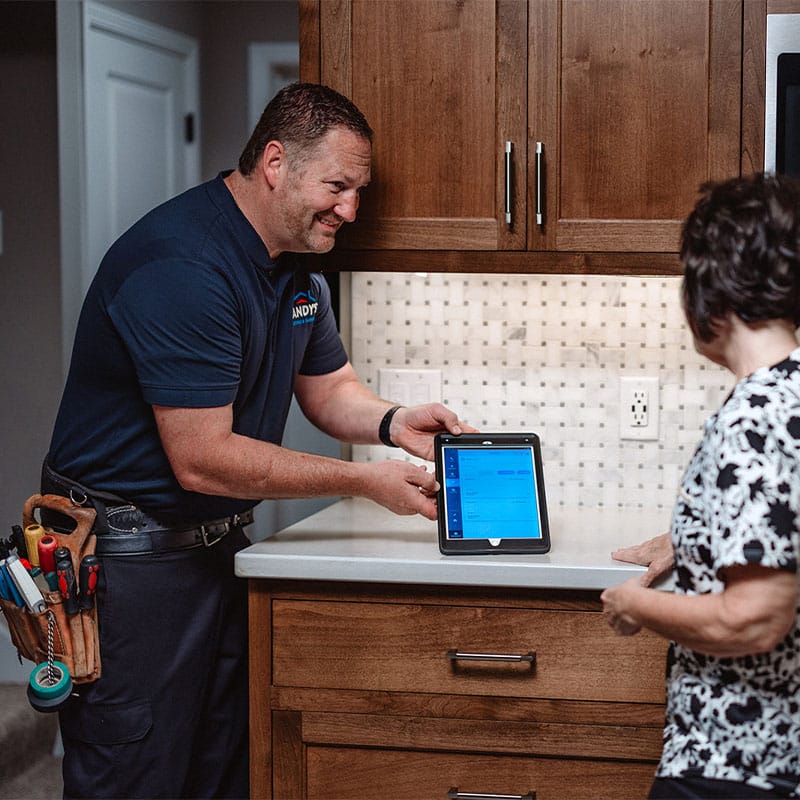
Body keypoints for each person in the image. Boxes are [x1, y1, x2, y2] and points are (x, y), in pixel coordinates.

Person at [41, 82, 474, 799]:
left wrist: (395, 423)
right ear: (276, 162)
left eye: (358, 191)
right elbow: (204, 458)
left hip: (216, 552)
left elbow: (329, 390)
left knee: (222, 767)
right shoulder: (184, 266)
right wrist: (365, 481)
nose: (350, 209)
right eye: (338, 186)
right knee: (135, 773)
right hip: (128, 563)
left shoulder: (297, 268)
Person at [601, 172, 800, 799]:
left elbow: (755, 621)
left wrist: (634, 605)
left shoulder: (757, 414)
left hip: (735, 761)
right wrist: (696, 542)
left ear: (709, 289)